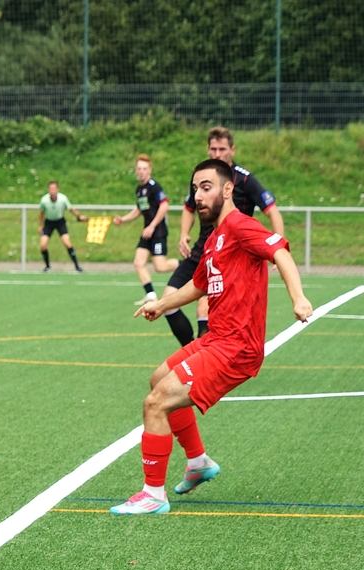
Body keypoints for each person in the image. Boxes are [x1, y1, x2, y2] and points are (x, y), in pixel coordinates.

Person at [110, 159, 312, 515]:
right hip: (216, 338)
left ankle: (153, 495)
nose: (198, 197)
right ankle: (198, 462)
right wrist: (161, 304)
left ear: (228, 190)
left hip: (236, 347)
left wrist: (299, 298)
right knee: (158, 379)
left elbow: (279, 251)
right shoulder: (215, 238)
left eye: (206, 188)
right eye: (195, 190)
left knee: (155, 403)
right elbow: (198, 285)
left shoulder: (240, 225)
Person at [163, 127, 284, 346]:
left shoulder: (245, 180)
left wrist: (277, 246)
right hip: (201, 251)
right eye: (213, 149)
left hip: (228, 256)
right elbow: (188, 208)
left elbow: (272, 210)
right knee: (167, 301)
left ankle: (202, 357)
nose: (217, 154)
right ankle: (191, 351)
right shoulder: (202, 178)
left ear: (232, 150)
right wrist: (183, 235)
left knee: (204, 306)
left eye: (222, 149)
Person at [112, 155, 178, 305]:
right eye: (139, 169)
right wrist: (123, 219)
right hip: (147, 233)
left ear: (150, 170)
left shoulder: (154, 186)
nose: (141, 171)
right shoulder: (139, 189)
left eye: (144, 168)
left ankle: (187, 265)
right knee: (138, 262)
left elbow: (164, 206)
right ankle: (151, 295)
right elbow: (139, 209)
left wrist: (152, 226)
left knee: (160, 267)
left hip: (158, 231)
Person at [37, 181, 86, 272]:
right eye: (51, 189)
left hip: (60, 222)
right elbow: (41, 213)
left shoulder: (63, 199)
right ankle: (47, 266)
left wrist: (79, 216)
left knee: (67, 243)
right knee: (43, 245)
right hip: (48, 223)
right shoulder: (44, 200)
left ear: (57, 190)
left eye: (54, 189)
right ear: (48, 190)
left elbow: (70, 208)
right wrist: (40, 226)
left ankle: (77, 266)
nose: (52, 191)